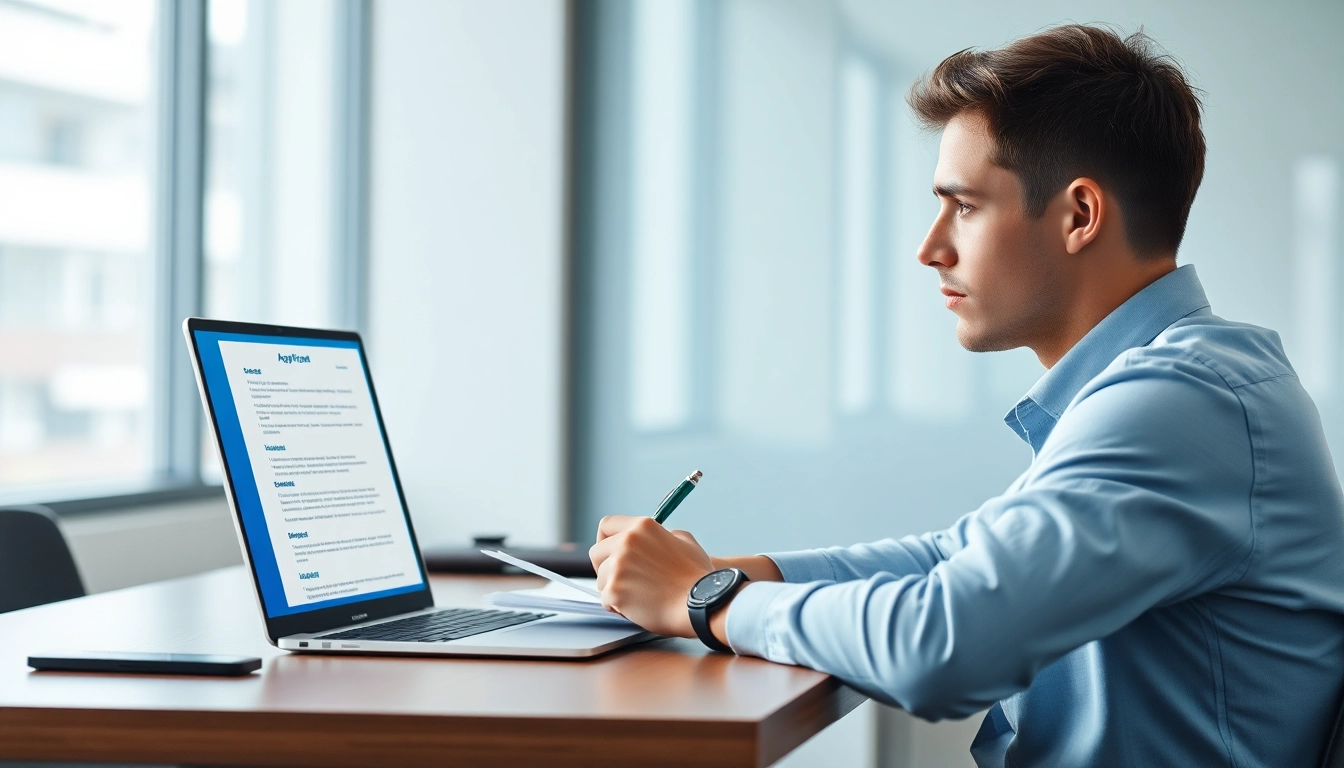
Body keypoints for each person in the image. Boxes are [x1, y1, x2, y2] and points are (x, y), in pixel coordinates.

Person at [589, 23, 1344, 767]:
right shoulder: (1164, 380)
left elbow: (944, 645)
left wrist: (707, 598)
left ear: (1079, 215)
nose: (930, 247)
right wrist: (743, 572)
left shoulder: (1183, 401)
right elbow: (960, 556)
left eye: (966, 206)